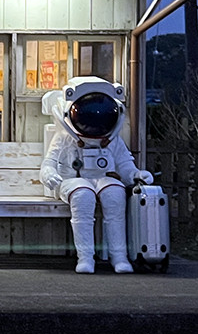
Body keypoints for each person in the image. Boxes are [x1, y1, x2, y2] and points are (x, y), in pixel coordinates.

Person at [39, 77, 153, 274]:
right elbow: (49, 163)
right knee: (83, 196)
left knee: (115, 194)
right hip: (72, 180)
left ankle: (119, 257)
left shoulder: (111, 139)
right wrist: (48, 174)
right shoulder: (65, 137)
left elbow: (124, 163)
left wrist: (135, 174)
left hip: (101, 178)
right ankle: (85, 258)